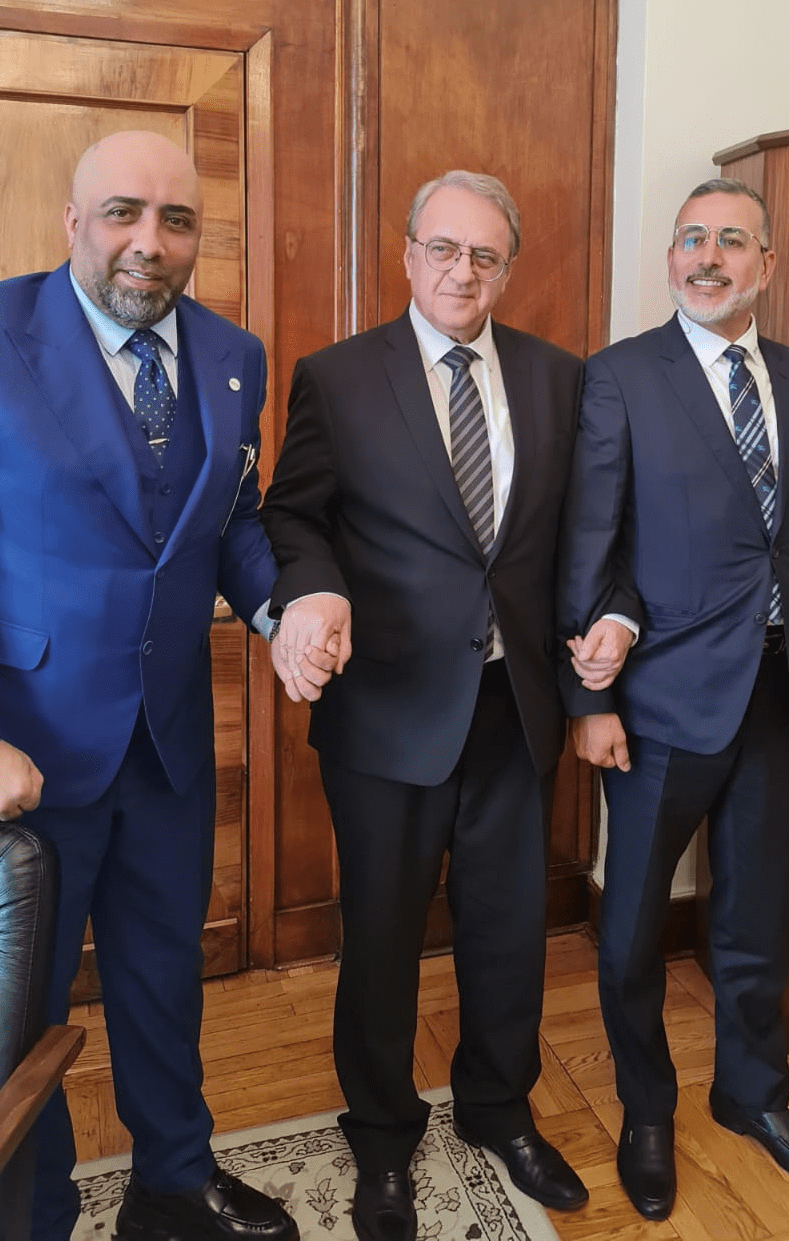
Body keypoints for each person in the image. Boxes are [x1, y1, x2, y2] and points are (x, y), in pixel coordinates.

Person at [0, 131, 297, 1241]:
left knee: (163, 977)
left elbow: (233, 524)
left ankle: (174, 1181)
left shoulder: (233, 354)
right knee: (13, 1024)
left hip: (167, 747)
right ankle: (33, 1217)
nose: (150, 240)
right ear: (72, 223)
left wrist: (285, 609)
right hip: (16, 758)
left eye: (177, 219)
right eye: (121, 212)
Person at [261, 171, 588, 1241]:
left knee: (509, 930)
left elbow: (582, 532)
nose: (462, 271)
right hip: (388, 708)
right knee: (384, 935)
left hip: (514, 705)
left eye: (484, 254)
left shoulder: (557, 378)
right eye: (443, 248)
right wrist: (313, 591)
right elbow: (292, 516)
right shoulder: (339, 377)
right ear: (406, 255)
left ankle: (498, 1108)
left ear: (508, 268)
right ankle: (383, 1134)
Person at [558, 177, 789, 1222]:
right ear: (670, 260)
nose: (707, 256)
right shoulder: (620, 376)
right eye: (691, 238)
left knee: (754, 913)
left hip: (784, 692)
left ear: (765, 265)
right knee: (633, 924)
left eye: (731, 240)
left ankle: (752, 1095)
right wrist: (588, 703)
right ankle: (646, 1108)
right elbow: (590, 546)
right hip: (658, 702)